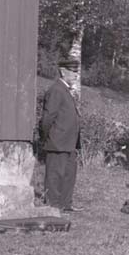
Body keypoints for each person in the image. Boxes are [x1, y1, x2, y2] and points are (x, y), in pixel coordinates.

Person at [40, 58, 82, 213]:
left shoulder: (65, 90)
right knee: (54, 174)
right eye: (73, 72)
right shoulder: (56, 90)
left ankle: (65, 204)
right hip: (57, 141)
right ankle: (53, 205)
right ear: (63, 72)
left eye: (76, 72)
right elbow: (48, 118)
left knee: (69, 174)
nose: (76, 75)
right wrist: (47, 137)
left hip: (69, 142)